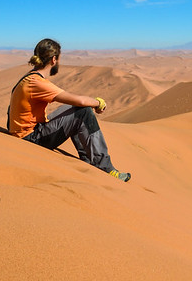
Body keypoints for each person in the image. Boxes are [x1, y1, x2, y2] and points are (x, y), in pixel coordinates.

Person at [7, 38, 131, 182]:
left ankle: (88, 160)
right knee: (83, 111)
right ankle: (106, 168)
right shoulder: (37, 83)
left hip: (25, 134)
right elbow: (81, 101)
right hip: (31, 139)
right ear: (54, 59)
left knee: (74, 109)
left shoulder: (28, 78)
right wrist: (98, 103)